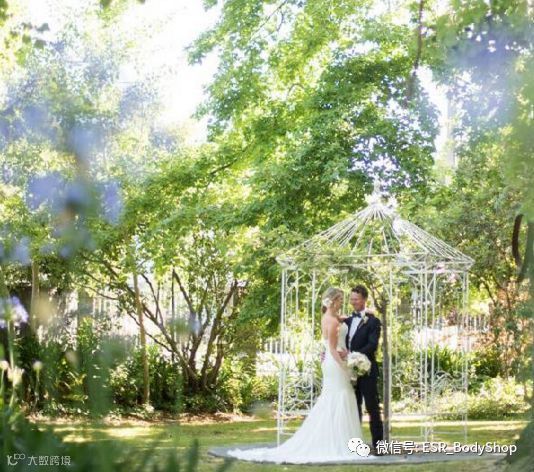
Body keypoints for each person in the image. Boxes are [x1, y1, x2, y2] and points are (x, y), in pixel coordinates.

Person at [227, 287, 377, 464]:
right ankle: (339, 442)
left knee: (336, 398)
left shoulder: (331, 317)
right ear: (333, 301)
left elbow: (342, 325)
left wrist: (368, 312)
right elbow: (332, 348)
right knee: (340, 397)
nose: (343, 303)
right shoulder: (333, 321)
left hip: (332, 361)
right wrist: (345, 367)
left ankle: (338, 440)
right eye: (340, 300)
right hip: (336, 362)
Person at [344, 284, 384, 452]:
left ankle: (379, 445)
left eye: (356, 299)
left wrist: (355, 356)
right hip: (350, 371)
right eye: (351, 299)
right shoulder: (347, 321)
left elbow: (372, 345)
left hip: (367, 370)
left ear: (364, 300)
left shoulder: (373, 321)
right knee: (353, 408)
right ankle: (355, 444)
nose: (353, 302)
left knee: (372, 408)